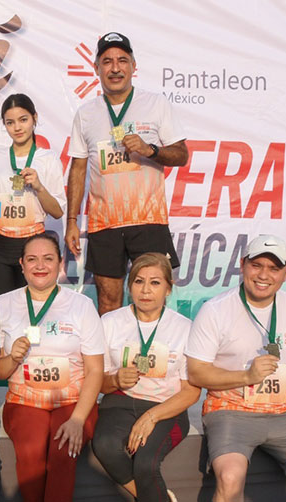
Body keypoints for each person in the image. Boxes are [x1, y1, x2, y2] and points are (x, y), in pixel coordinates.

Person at [185, 235, 286, 502]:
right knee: (230, 477)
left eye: (274, 268)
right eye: (257, 265)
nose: (264, 275)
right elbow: (196, 372)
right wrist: (246, 376)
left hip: (284, 412)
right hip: (230, 410)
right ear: (242, 264)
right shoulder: (215, 310)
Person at [65, 32, 189, 315]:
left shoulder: (156, 104)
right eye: (107, 61)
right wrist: (72, 221)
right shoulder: (86, 113)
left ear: (134, 66)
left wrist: (150, 150)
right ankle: (111, 347)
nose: (115, 68)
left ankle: (152, 345)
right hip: (104, 223)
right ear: (96, 68)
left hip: (148, 219)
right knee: (108, 302)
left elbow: (181, 154)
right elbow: (78, 168)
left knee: (152, 300)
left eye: (122, 60)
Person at [0, 233, 104, 502]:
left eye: (48, 259)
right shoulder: (2, 304)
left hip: (73, 401)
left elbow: (95, 371)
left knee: (63, 452)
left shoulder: (82, 305)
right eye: (32, 259)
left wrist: (77, 419)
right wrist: (12, 357)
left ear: (60, 263)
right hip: (24, 400)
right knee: (30, 452)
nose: (40, 266)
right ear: (21, 264)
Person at [92, 252, 201, 502]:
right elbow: (97, 381)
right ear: (129, 286)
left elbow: (191, 391)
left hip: (166, 407)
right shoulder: (110, 322)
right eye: (139, 281)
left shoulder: (185, 328)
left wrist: (152, 417)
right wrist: (115, 380)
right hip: (119, 403)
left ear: (168, 289)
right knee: (106, 446)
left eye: (155, 282)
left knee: (145, 464)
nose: (145, 290)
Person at [0, 94, 66, 297]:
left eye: (23, 120)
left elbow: (57, 211)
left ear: (35, 118)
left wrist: (39, 187)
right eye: (10, 122)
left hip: (33, 244)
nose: (17, 127)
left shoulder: (48, 159)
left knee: (31, 304)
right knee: (2, 305)